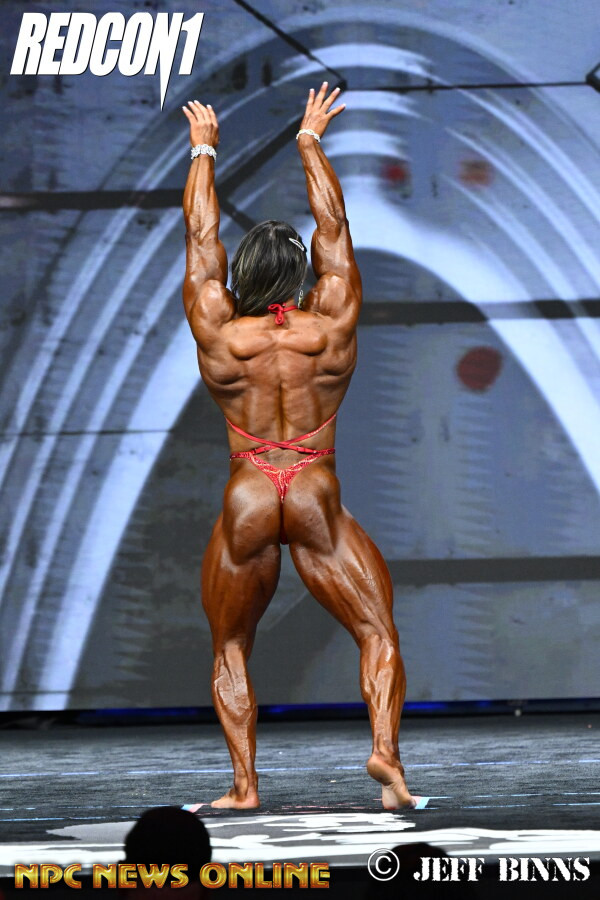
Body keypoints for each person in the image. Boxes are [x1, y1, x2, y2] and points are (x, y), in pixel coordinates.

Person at [181, 83, 418, 811]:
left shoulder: (222, 331)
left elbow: (201, 241)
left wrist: (203, 151)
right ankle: (385, 757)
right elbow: (335, 227)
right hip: (314, 488)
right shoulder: (330, 322)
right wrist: (310, 141)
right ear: (303, 273)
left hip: (249, 492)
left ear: (242, 277)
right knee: (376, 630)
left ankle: (245, 787)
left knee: (231, 646)